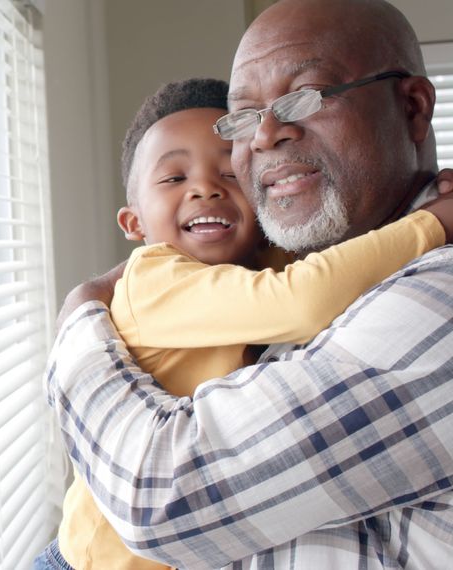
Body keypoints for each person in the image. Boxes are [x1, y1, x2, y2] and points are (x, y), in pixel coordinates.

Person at [43, 0, 453, 568]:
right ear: (133, 220)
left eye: (304, 95)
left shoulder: (436, 297)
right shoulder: (295, 261)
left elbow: (159, 500)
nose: (263, 136)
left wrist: (80, 321)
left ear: (411, 108)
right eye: (243, 115)